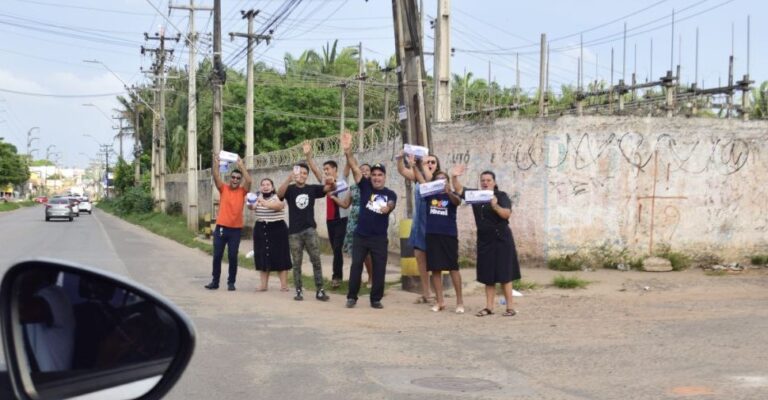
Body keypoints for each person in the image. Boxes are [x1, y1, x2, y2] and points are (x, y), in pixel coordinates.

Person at [451, 165, 521, 317]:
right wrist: (454, 176)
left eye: (488, 180)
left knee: (505, 274)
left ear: (494, 183)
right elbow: (458, 189)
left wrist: (495, 205)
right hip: (485, 239)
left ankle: (510, 307)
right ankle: (489, 307)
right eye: (483, 180)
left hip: (502, 238)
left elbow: (506, 214)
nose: (485, 183)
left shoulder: (501, 195)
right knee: (488, 275)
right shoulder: (476, 195)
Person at [341, 130, 397, 309]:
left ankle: (375, 299)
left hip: (379, 238)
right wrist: (348, 151)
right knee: (356, 266)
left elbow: (391, 204)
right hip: (361, 236)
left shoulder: (389, 193)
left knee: (379, 269)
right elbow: (355, 168)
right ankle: (352, 297)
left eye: (380, 175)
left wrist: (387, 208)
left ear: (384, 177)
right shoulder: (364, 187)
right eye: (374, 174)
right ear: (370, 176)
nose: (377, 177)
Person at [277, 155, 335, 302]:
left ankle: (320, 290)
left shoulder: (311, 189)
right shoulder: (290, 189)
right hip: (294, 233)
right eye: (299, 173)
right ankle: (298, 290)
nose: (301, 176)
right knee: (296, 264)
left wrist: (331, 181)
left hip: (310, 230)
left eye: (304, 173)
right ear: (295, 173)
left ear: (307, 176)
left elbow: (328, 188)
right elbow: (279, 195)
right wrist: (288, 179)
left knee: (316, 260)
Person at [413, 164, 464, 314]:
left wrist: (448, 192)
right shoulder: (430, 194)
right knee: (435, 269)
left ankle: (459, 302)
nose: (441, 181)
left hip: (448, 235)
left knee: (453, 268)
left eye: (444, 179)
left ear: (447, 182)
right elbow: (420, 179)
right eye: (438, 179)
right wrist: (414, 165)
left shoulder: (452, 194)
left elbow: (457, 202)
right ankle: (440, 301)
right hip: (432, 235)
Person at [396, 150, 440, 304]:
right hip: (419, 222)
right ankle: (427, 292)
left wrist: (420, 164)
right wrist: (400, 158)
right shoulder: (416, 176)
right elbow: (401, 170)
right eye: (427, 162)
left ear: (437, 165)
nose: (429, 164)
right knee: (420, 258)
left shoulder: (439, 179)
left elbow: (427, 182)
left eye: (432, 162)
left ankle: (438, 292)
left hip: (434, 224)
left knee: (435, 260)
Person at [304, 141, 349, 289]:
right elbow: (315, 171)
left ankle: (337, 277)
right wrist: (308, 156)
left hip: (342, 219)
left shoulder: (343, 180)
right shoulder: (325, 183)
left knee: (337, 248)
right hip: (330, 220)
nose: (325, 171)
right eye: (325, 169)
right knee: (335, 248)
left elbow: (350, 164)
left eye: (328, 169)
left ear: (335, 169)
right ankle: (337, 276)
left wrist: (348, 149)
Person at [205, 154, 252, 291]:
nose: (235, 180)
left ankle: (231, 282)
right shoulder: (223, 188)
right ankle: (215, 281)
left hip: (235, 230)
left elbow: (249, 180)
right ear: (230, 178)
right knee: (217, 255)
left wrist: (241, 166)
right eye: (233, 177)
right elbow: (215, 176)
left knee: (232, 256)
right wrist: (216, 164)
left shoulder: (243, 191)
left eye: (238, 178)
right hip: (221, 229)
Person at [248, 178, 292, 292]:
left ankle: (284, 285)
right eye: (263, 185)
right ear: (260, 187)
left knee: (281, 256)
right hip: (261, 229)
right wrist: (252, 200)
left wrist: (264, 202)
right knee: (262, 256)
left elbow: (279, 206)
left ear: (272, 187)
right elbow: (251, 207)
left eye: (268, 184)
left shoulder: (279, 196)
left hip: (278, 229)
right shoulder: (257, 197)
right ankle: (263, 285)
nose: (265, 186)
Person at [339, 163, 374, 288]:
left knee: (367, 253)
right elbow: (345, 204)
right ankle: (356, 279)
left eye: (367, 170)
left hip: (368, 219)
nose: (364, 172)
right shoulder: (353, 188)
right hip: (354, 220)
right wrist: (333, 197)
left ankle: (371, 277)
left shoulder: (373, 186)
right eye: (361, 170)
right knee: (356, 252)